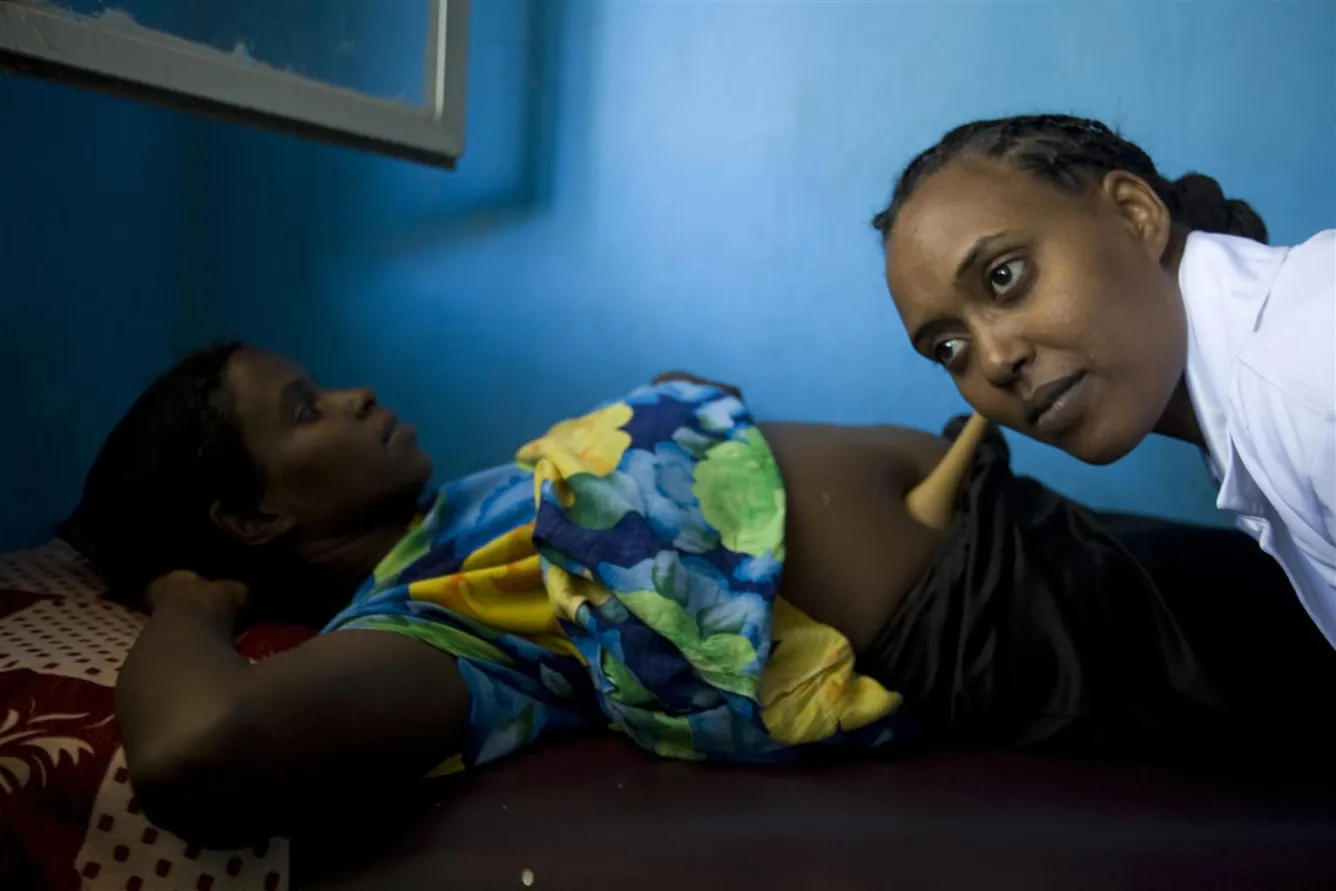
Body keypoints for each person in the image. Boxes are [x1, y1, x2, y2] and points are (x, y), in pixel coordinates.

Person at [70, 341, 1332, 847]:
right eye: (303, 410)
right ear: (253, 517)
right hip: (1004, 619)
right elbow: (197, 745)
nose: (346, 396)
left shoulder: (470, 508)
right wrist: (191, 605)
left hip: (1031, 539)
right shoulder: (425, 622)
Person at [873, 113, 1336, 647]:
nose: (996, 361)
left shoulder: (1305, 385)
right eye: (950, 349)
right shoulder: (1261, 398)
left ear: (1134, 216)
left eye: (1006, 275)